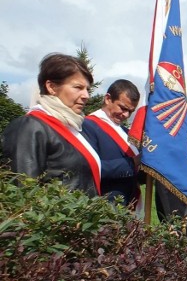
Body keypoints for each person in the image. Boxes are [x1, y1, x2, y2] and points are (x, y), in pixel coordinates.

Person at [2, 53, 100, 195]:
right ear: (52, 87)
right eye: (78, 87)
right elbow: (23, 192)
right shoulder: (29, 127)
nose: (86, 96)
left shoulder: (74, 127)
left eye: (87, 89)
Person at [82, 79, 140, 206]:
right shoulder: (87, 126)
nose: (126, 115)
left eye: (130, 111)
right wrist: (132, 163)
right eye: (123, 108)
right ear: (108, 99)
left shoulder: (126, 132)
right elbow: (89, 168)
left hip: (129, 207)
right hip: (104, 207)